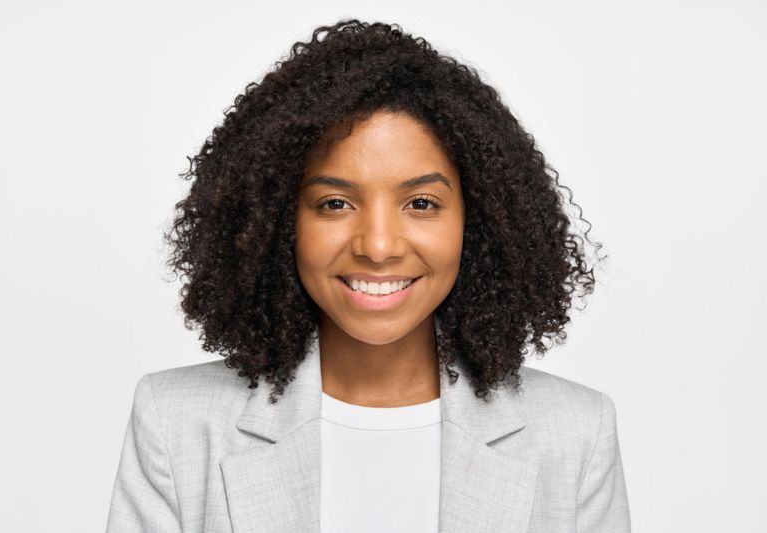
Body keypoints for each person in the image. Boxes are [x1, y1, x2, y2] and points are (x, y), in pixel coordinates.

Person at [105, 18, 630, 533]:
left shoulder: (576, 434)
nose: (378, 247)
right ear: (277, 222)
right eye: (335, 203)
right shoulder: (175, 423)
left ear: (481, 221)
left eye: (421, 203)